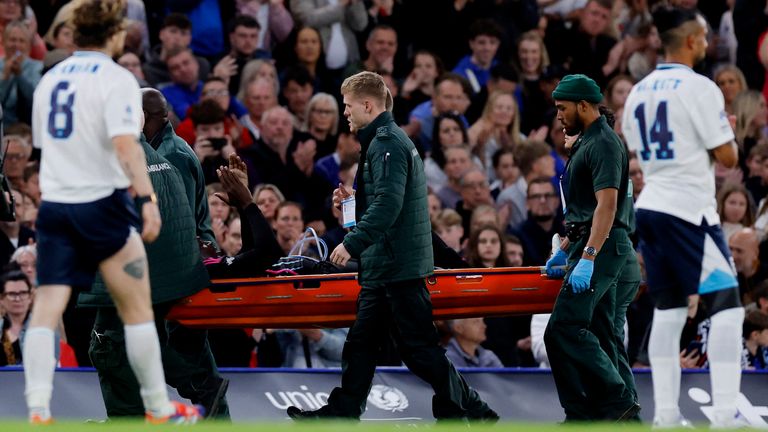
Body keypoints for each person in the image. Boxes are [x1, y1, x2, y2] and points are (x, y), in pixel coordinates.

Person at [24, 0, 200, 424]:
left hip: (56, 207)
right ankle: (158, 406)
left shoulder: (49, 80)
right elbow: (126, 146)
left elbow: (43, 147)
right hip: (101, 205)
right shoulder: (117, 78)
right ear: (114, 34)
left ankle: (36, 406)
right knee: (137, 307)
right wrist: (146, 201)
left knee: (46, 307)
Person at [286, 71, 497, 422]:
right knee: (361, 345)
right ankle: (344, 410)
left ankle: (475, 409)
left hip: (397, 268)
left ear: (368, 104)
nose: (346, 113)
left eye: (349, 106)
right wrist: (355, 204)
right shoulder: (385, 141)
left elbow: (388, 206)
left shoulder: (386, 143)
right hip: (386, 266)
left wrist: (351, 243)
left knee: (418, 352)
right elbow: (387, 205)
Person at [620, 6, 746, 428]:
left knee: (670, 310)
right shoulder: (700, 87)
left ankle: (667, 417)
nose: (709, 43)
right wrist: (729, 132)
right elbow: (727, 157)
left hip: (651, 206)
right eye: (705, 36)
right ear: (691, 40)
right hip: (688, 211)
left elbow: (641, 151)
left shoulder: (637, 91)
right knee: (728, 308)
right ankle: (727, 415)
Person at [543, 73, 640, 421]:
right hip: (592, 243)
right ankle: (615, 412)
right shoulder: (589, 141)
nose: (558, 115)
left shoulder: (603, 144)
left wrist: (587, 256)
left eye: (562, 107)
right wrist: (566, 246)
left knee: (562, 329)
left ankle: (602, 406)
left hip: (602, 247)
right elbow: (585, 209)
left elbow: (607, 207)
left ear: (583, 105)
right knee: (602, 334)